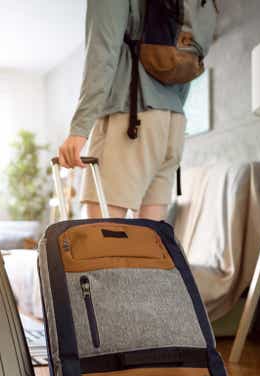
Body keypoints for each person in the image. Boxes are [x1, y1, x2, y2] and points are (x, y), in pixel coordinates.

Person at [58, 0, 213, 221]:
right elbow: (186, 61)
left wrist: (79, 128)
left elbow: (101, 54)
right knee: (149, 242)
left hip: (131, 119)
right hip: (172, 125)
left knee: (102, 241)